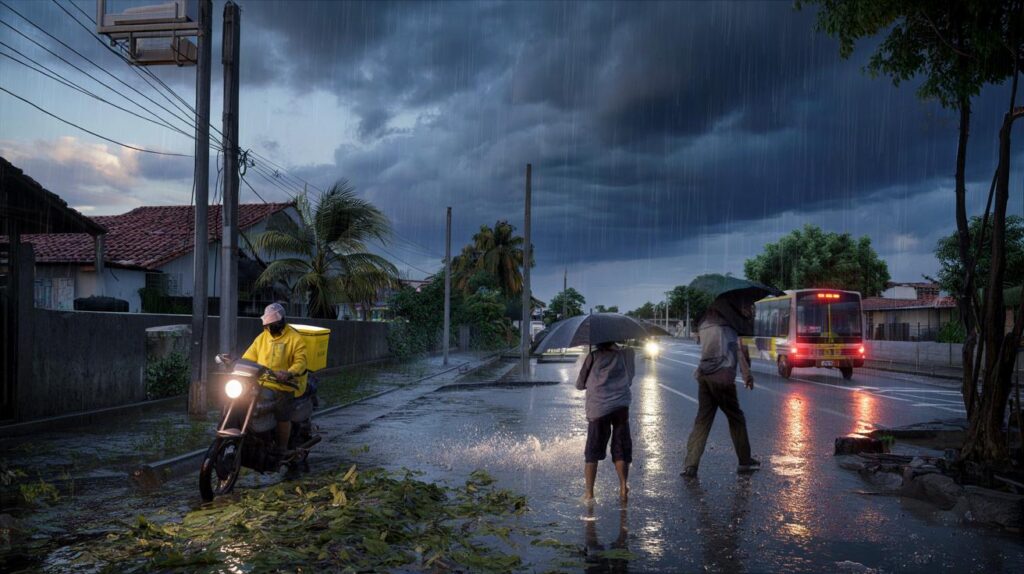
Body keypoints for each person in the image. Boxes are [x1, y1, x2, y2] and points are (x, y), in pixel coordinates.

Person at [682, 306, 760, 477]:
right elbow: (739, 351)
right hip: (722, 378)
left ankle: (690, 465)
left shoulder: (704, 324)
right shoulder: (729, 326)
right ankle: (745, 461)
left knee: (702, 420)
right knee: (736, 419)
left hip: (704, 376)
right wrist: (747, 375)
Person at [242, 302, 307, 455]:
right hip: (263, 383)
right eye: (267, 324)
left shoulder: (295, 338)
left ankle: (282, 448)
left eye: (273, 324)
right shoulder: (262, 338)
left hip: (286, 385)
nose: (269, 327)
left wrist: (289, 373)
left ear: (281, 321)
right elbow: (248, 356)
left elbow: (301, 362)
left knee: (282, 413)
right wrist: (238, 366)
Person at [576, 341, 636, 502]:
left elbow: (580, 384)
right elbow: (629, 378)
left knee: (592, 451)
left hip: (598, 408)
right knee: (621, 447)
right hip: (621, 406)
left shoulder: (593, 356)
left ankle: (589, 493)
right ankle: (623, 486)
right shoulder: (626, 354)